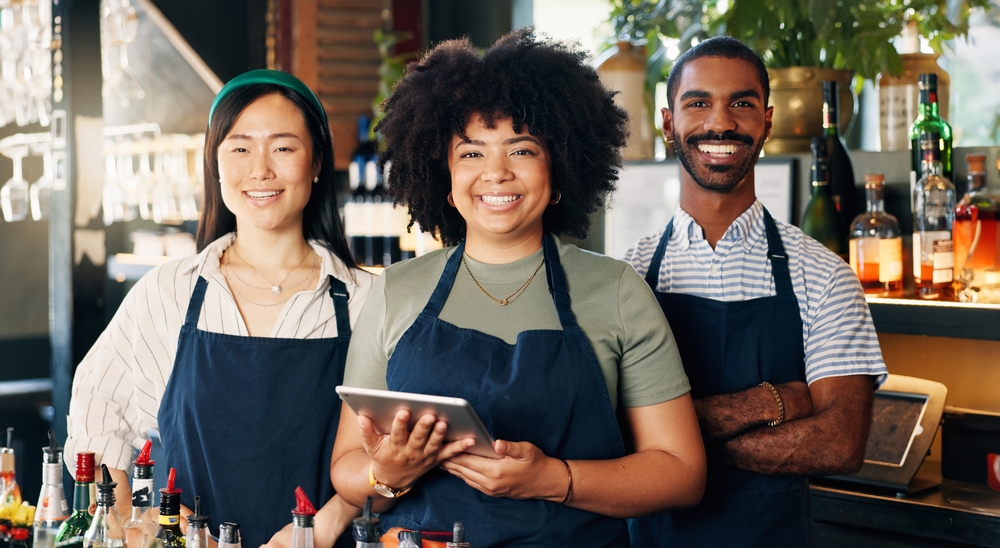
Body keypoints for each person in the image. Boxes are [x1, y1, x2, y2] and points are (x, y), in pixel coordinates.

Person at [330, 29, 706, 547]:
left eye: (521, 149)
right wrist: (389, 472)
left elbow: (682, 473)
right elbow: (348, 469)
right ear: (444, 174)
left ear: (559, 170)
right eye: (471, 154)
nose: (496, 174)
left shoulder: (616, 289)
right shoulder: (397, 290)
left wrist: (556, 479)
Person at [66, 70, 375, 548]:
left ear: (316, 163)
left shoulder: (363, 300)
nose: (260, 170)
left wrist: (321, 527)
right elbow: (97, 414)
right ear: (214, 163)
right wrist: (131, 515)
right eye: (240, 147)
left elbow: (392, 455)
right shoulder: (169, 292)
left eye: (283, 147)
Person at [621, 36, 888, 547]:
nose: (720, 123)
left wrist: (673, 444)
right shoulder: (627, 276)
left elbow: (840, 443)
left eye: (740, 104)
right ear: (667, 122)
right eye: (697, 103)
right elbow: (607, 431)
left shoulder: (825, 275)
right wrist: (769, 402)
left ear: (766, 121)